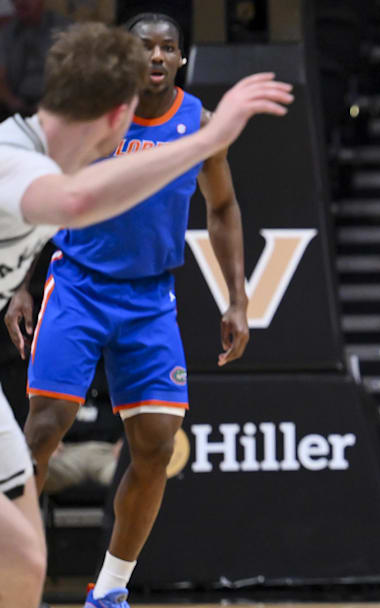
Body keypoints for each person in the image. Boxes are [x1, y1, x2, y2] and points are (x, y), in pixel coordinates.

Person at [0, 21, 291, 608]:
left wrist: (237, 297)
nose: (156, 56)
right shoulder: (93, 120)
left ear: (182, 57)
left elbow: (224, 206)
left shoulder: (197, 122)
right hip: (79, 284)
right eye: (143, 47)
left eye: (166, 46)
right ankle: (15, 563)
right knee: (46, 425)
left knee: (157, 444)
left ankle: (109, 591)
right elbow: (57, 199)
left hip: (150, 297)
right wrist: (24, 287)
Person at [0, 0, 70, 117]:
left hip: (56, 108)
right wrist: (14, 103)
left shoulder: (64, 30)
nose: (20, 2)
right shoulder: (8, 33)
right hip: (16, 108)